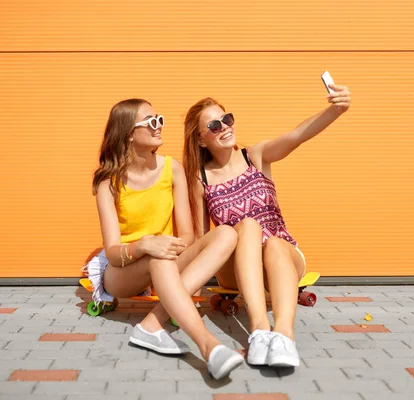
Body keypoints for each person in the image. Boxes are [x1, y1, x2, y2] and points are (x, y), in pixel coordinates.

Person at [182, 82, 351, 367]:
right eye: (213, 125)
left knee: (272, 242)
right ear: (200, 140)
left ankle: (284, 336)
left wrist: (335, 110)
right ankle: (260, 330)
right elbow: (204, 240)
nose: (224, 127)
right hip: (234, 269)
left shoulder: (254, 156)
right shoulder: (201, 179)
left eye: (227, 119)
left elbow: (296, 136)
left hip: (280, 257)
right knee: (247, 227)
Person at [86, 98, 244, 379]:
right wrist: (144, 245)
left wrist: (168, 246)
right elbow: (111, 251)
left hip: (165, 259)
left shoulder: (172, 169)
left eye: (159, 119)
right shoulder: (107, 182)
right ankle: (210, 347)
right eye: (151, 121)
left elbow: (187, 234)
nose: (159, 126)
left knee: (226, 234)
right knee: (157, 257)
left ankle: (150, 326)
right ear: (128, 133)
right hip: (123, 269)